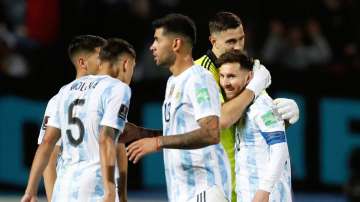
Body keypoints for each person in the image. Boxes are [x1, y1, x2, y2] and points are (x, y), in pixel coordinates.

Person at [125, 13, 231, 202]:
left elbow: (211, 133)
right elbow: (181, 132)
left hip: (205, 189)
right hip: (183, 192)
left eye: (157, 40)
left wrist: (158, 143)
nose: (152, 46)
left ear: (176, 44)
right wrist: (141, 133)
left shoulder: (199, 78)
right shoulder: (173, 82)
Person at [194, 11, 299, 202]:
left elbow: (259, 124)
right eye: (231, 42)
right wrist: (253, 87)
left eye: (241, 39)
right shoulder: (200, 74)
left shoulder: (247, 68)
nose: (239, 47)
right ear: (213, 41)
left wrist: (285, 117)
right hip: (213, 186)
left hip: (243, 186)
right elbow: (222, 120)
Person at [21, 38, 136, 202]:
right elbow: (110, 142)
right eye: (100, 54)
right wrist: (116, 193)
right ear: (83, 62)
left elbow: (47, 144)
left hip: (65, 188)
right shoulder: (114, 89)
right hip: (97, 188)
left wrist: (32, 190)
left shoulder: (62, 93)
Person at [36, 34, 106, 201]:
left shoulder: (60, 97)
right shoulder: (61, 99)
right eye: (102, 57)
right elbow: (50, 155)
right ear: (82, 63)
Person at [218, 49, 292, 202]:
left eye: (231, 76)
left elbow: (279, 149)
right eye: (222, 76)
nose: (225, 83)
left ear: (249, 77)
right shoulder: (241, 106)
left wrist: (264, 190)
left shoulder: (262, 106)